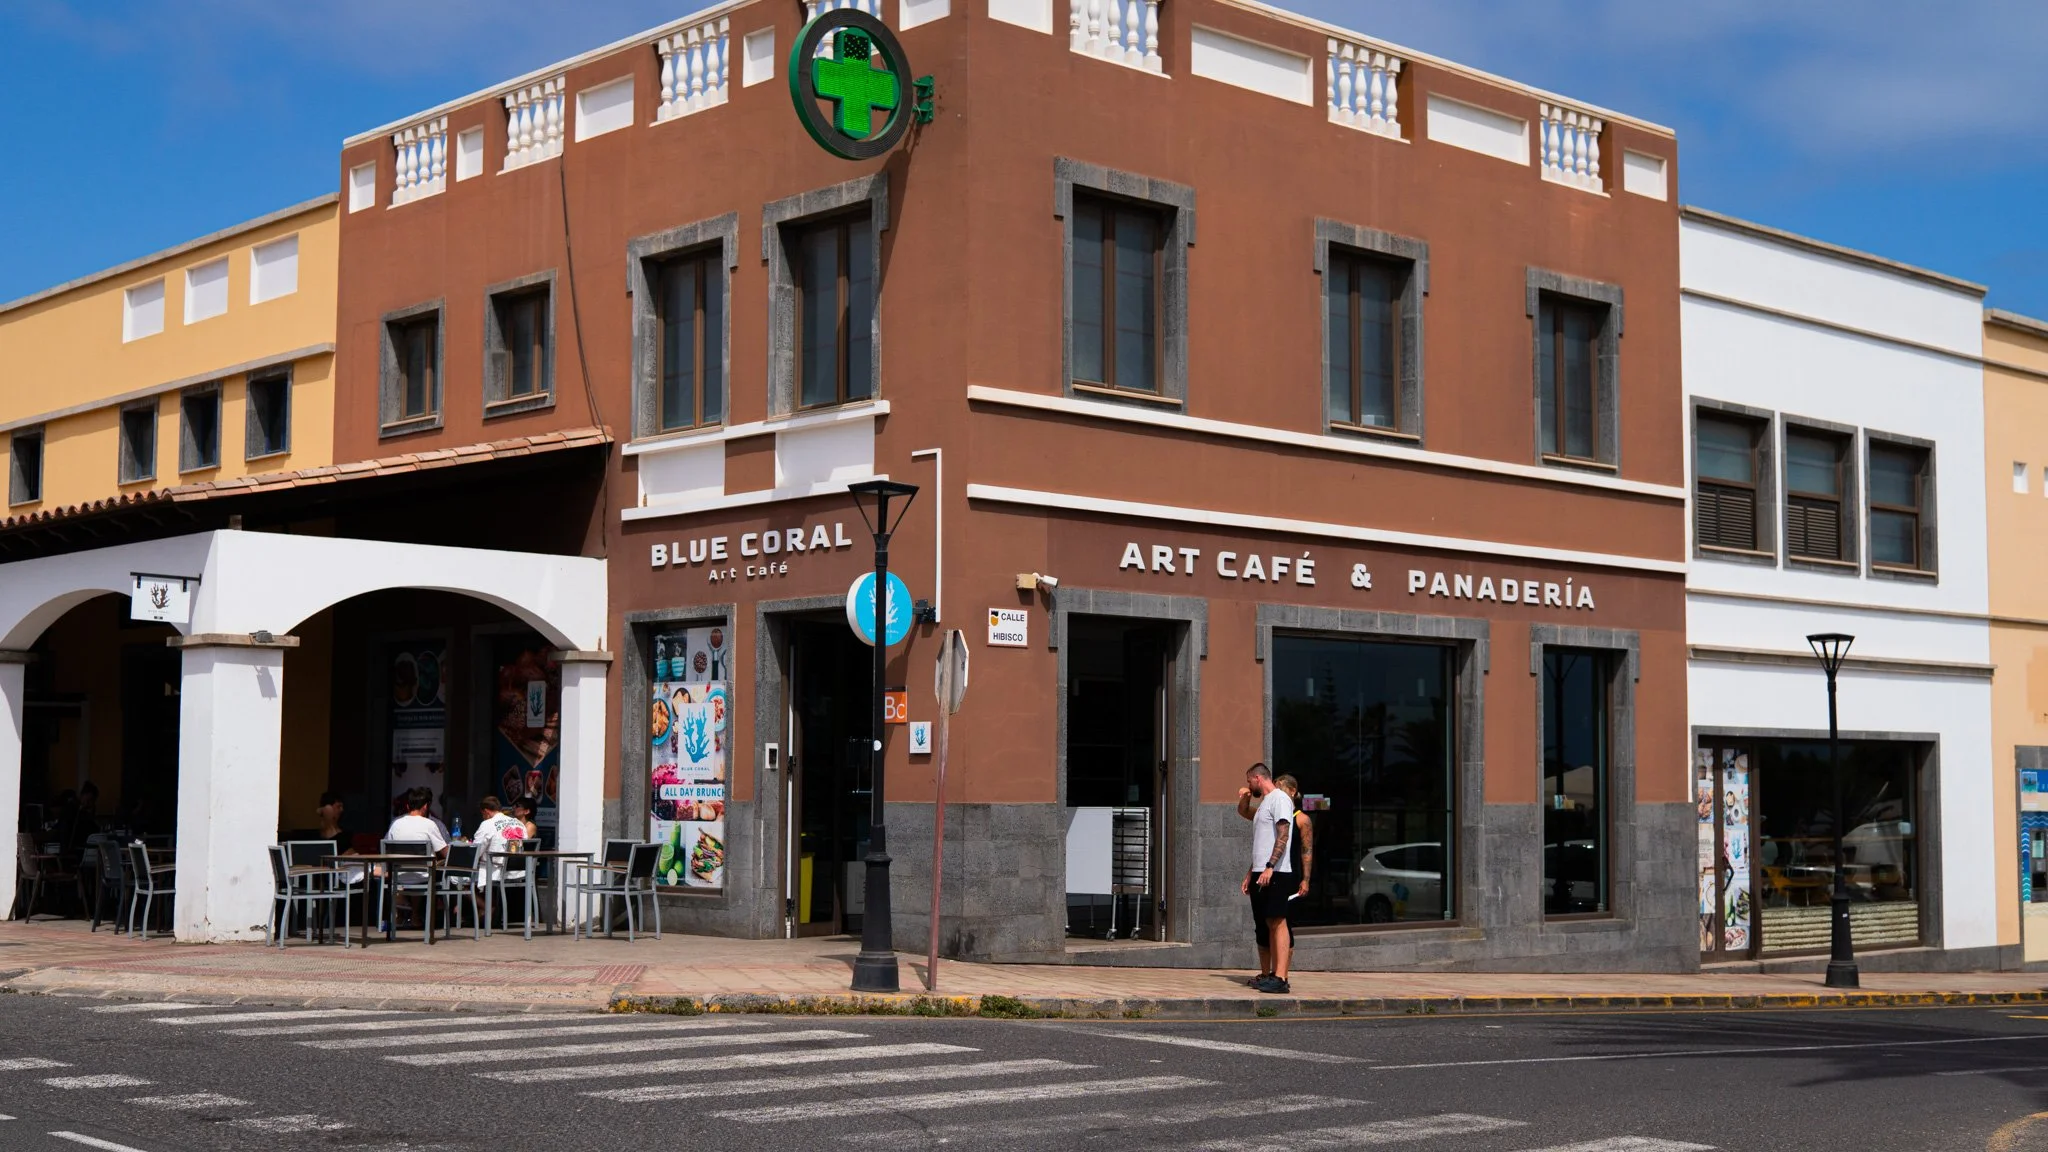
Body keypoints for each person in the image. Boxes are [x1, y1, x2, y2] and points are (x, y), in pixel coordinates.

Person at [1236, 762, 1295, 994]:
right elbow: (1262, 842)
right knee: (1267, 923)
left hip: (1277, 871)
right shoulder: (1265, 804)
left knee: (1278, 921)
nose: (1249, 785)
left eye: (1249, 781)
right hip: (1262, 871)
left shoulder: (1280, 799)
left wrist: (1270, 866)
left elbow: (1283, 834)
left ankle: (1281, 977)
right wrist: (1251, 872)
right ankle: (1271, 974)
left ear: (1258, 778)